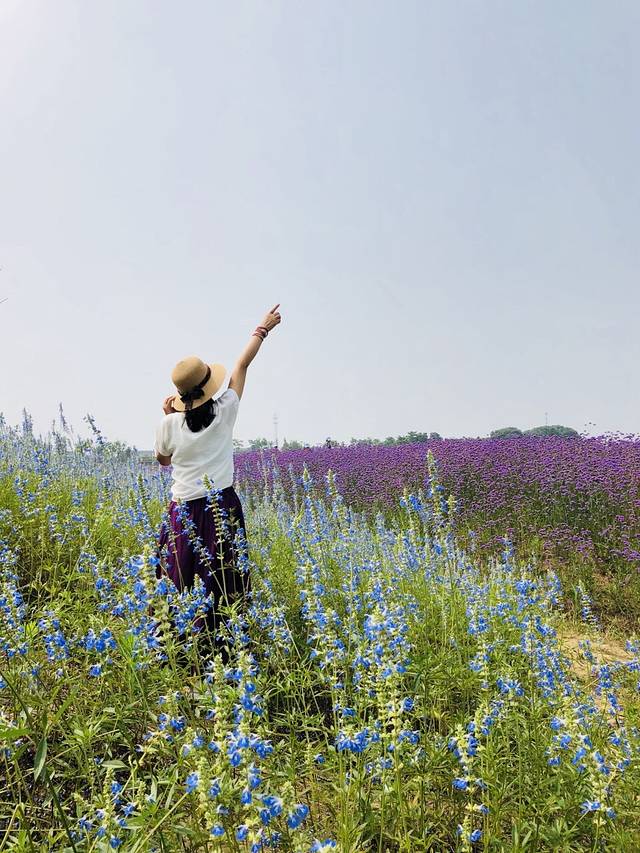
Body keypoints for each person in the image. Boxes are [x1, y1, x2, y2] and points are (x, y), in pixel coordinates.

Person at [154, 304, 282, 647]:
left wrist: (167, 417)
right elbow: (241, 365)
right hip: (221, 506)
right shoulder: (225, 410)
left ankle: (176, 645)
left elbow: (163, 460)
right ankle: (224, 643)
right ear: (208, 385)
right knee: (225, 577)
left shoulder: (169, 424)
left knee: (178, 576)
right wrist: (262, 329)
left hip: (182, 510)